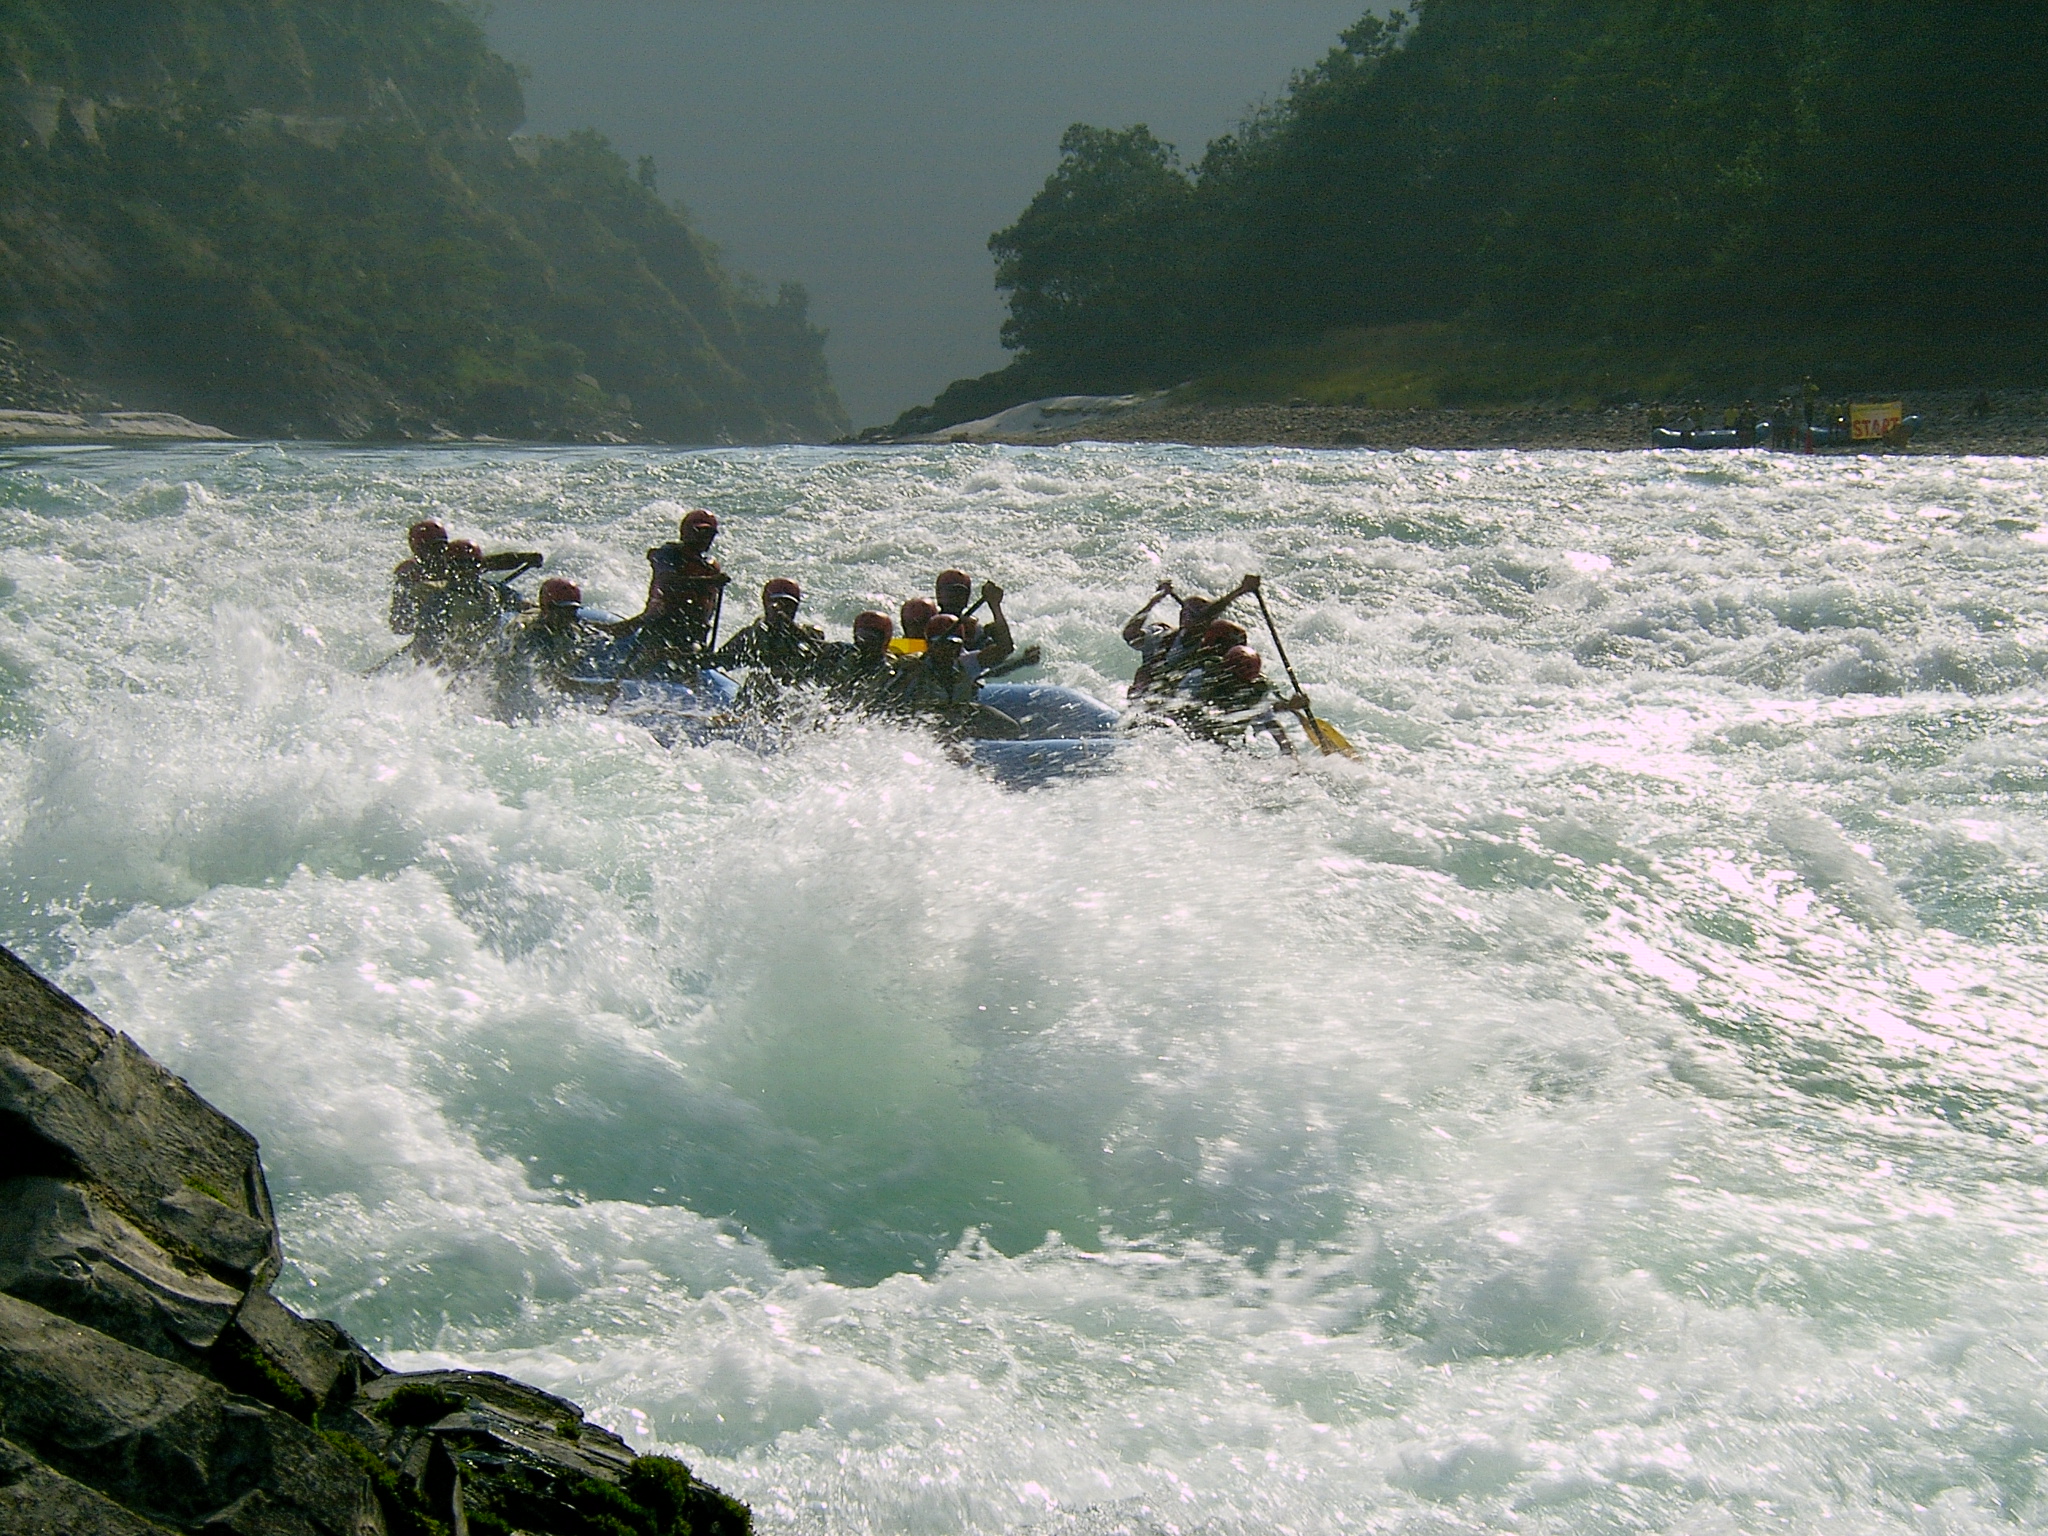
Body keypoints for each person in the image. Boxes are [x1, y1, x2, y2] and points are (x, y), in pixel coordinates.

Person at [618, 509, 729, 679]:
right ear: (686, 532)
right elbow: (668, 581)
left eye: (710, 534)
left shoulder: (710, 566)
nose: (705, 538)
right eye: (700, 532)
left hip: (693, 633)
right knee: (639, 668)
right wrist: (709, 581)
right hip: (661, 626)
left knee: (691, 667)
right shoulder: (668, 554)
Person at [880, 612, 1022, 738]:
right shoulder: (911, 666)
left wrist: (995, 606)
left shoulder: (965, 664)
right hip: (924, 717)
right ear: (929, 644)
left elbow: (1005, 648)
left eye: (953, 644)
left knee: (1010, 727)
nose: (947, 649)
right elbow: (888, 701)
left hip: (960, 713)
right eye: (941, 644)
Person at [496, 576, 602, 717]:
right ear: (546, 608)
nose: (567, 616)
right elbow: (550, 680)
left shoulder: (565, 626)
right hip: (510, 696)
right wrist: (599, 688)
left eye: (572, 610)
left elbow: (603, 630)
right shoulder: (531, 635)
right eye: (562, 610)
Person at [1172, 644, 1308, 751]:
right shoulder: (1200, 678)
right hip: (1189, 735)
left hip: (1223, 744)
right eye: (1236, 680)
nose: (1238, 685)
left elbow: (1270, 721)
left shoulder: (1250, 692)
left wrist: (1291, 754)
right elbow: (1176, 706)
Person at [713, 577, 832, 685]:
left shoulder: (811, 634)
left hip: (796, 692)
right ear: (766, 603)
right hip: (764, 692)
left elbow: (821, 660)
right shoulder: (751, 636)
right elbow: (718, 662)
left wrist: (792, 630)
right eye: (778, 604)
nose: (783, 610)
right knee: (758, 680)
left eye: (788, 605)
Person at [826, 610, 897, 706]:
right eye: (863, 633)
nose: (866, 639)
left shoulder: (890, 671)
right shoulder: (838, 653)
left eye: (873, 634)